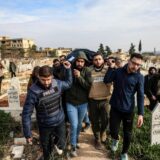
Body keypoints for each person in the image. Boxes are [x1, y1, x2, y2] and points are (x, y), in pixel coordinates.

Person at [22, 62, 72, 160]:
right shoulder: (33, 91)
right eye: (43, 80)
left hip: (59, 122)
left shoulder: (57, 83)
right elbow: (26, 113)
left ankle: (58, 150)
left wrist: (68, 69)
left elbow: (69, 83)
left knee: (62, 145)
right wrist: (27, 133)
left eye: (48, 79)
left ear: (52, 77)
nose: (46, 83)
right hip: (44, 125)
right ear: (38, 77)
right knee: (46, 149)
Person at [104, 53, 144, 160]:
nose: (136, 66)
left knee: (128, 134)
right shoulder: (118, 72)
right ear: (129, 61)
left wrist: (141, 114)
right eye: (134, 63)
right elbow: (106, 80)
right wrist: (110, 68)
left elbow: (140, 96)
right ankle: (115, 139)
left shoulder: (139, 77)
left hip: (129, 110)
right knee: (113, 130)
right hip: (115, 108)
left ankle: (124, 153)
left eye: (138, 65)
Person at [65, 51, 92, 157]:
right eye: (78, 61)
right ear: (75, 61)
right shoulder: (69, 70)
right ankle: (73, 147)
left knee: (79, 125)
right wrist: (67, 68)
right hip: (71, 102)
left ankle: (75, 141)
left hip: (83, 103)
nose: (80, 63)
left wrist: (79, 77)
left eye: (82, 61)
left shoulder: (87, 71)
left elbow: (88, 86)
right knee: (74, 124)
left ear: (84, 62)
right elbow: (66, 82)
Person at [89, 53, 112, 149]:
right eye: (95, 59)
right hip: (93, 100)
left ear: (103, 60)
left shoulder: (109, 70)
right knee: (94, 121)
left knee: (105, 120)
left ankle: (103, 132)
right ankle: (97, 139)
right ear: (93, 61)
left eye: (99, 59)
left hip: (105, 100)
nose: (97, 61)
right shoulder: (89, 71)